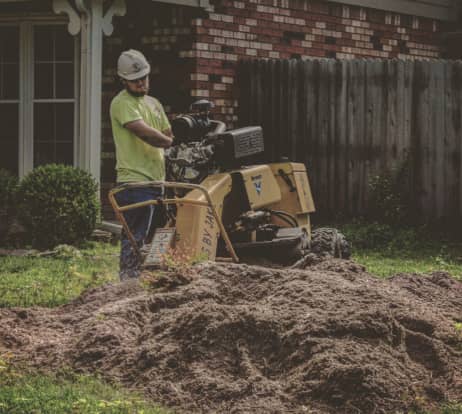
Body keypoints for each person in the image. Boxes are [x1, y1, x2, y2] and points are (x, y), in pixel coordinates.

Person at [110, 49, 173, 280]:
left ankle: (151, 278)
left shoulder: (154, 103)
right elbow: (146, 134)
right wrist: (168, 142)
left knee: (159, 235)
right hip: (134, 181)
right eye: (135, 81)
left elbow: (167, 131)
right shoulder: (121, 103)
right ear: (123, 80)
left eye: (144, 78)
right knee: (135, 236)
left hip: (157, 179)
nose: (141, 83)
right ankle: (128, 281)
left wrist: (168, 139)